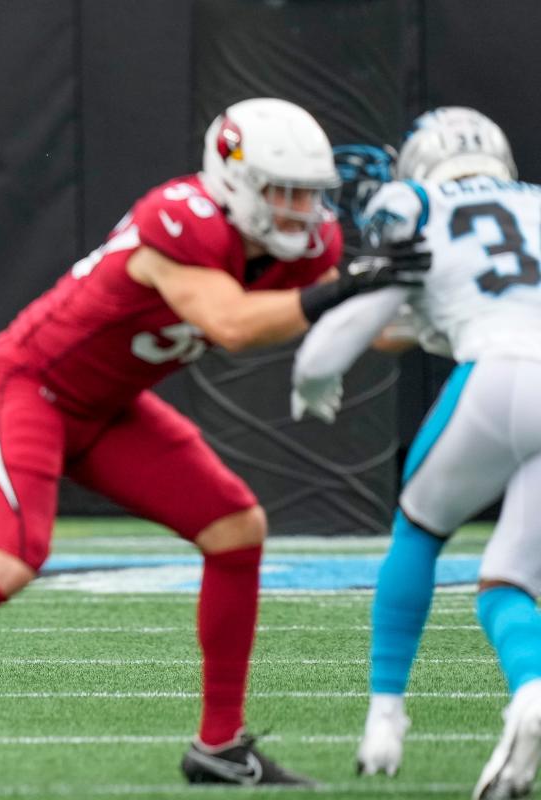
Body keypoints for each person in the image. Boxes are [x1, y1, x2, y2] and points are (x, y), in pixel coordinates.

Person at [0, 97, 430, 789]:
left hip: (106, 408)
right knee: (13, 559)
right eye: (283, 192)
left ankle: (219, 747)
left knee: (235, 528)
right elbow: (230, 323)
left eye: (310, 196)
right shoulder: (181, 218)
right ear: (234, 181)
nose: (300, 212)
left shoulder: (315, 248)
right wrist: (349, 290)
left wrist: (437, 308)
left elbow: (368, 326)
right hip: (27, 387)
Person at [292, 107, 541, 799]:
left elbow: (369, 312)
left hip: (494, 377)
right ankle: (532, 693)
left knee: (420, 532)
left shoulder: (415, 202)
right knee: (511, 580)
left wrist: (314, 375)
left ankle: (384, 718)